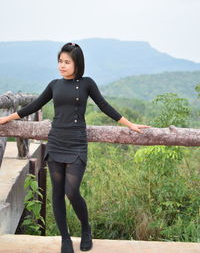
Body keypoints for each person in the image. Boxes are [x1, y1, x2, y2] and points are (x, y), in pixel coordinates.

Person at [0, 42, 150, 253]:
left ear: (77, 63)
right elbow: (34, 106)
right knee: (57, 194)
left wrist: (130, 124)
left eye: (67, 62)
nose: (62, 65)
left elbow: (104, 106)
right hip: (56, 142)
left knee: (72, 191)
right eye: (60, 61)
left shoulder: (87, 83)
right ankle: (65, 238)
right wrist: (6, 118)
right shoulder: (54, 85)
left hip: (77, 144)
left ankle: (86, 229)